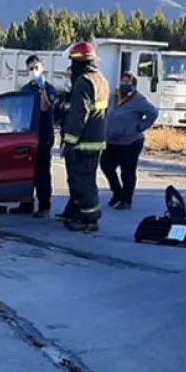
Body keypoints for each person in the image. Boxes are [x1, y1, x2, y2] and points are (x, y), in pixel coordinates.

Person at [59, 41, 110, 232]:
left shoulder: (83, 82)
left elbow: (78, 116)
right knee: (86, 179)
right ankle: (75, 211)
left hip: (82, 142)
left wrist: (69, 142)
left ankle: (89, 219)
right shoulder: (101, 80)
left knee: (83, 181)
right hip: (96, 141)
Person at [101, 72, 158, 210]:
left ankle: (126, 200)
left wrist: (140, 127)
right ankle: (117, 192)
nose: (124, 84)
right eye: (123, 81)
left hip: (130, 142)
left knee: (127, 172)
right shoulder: (114, 96)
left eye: (128, 82)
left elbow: (153, 113)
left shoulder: (138, 100)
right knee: (106, 166)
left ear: (133, 86)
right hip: (111, 141)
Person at [15, 55, 57, 218]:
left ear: (42, 68)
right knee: (26, 171)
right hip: (27, 136)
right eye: (31, 68)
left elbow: (46, 107)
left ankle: (44, 206)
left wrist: (42, 90)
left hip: (43, 136)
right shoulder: (26, 90)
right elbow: (18, 112)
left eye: (36, 67)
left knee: (42, 172)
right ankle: (26, 203)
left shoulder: (48, 88)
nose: (34, 71)